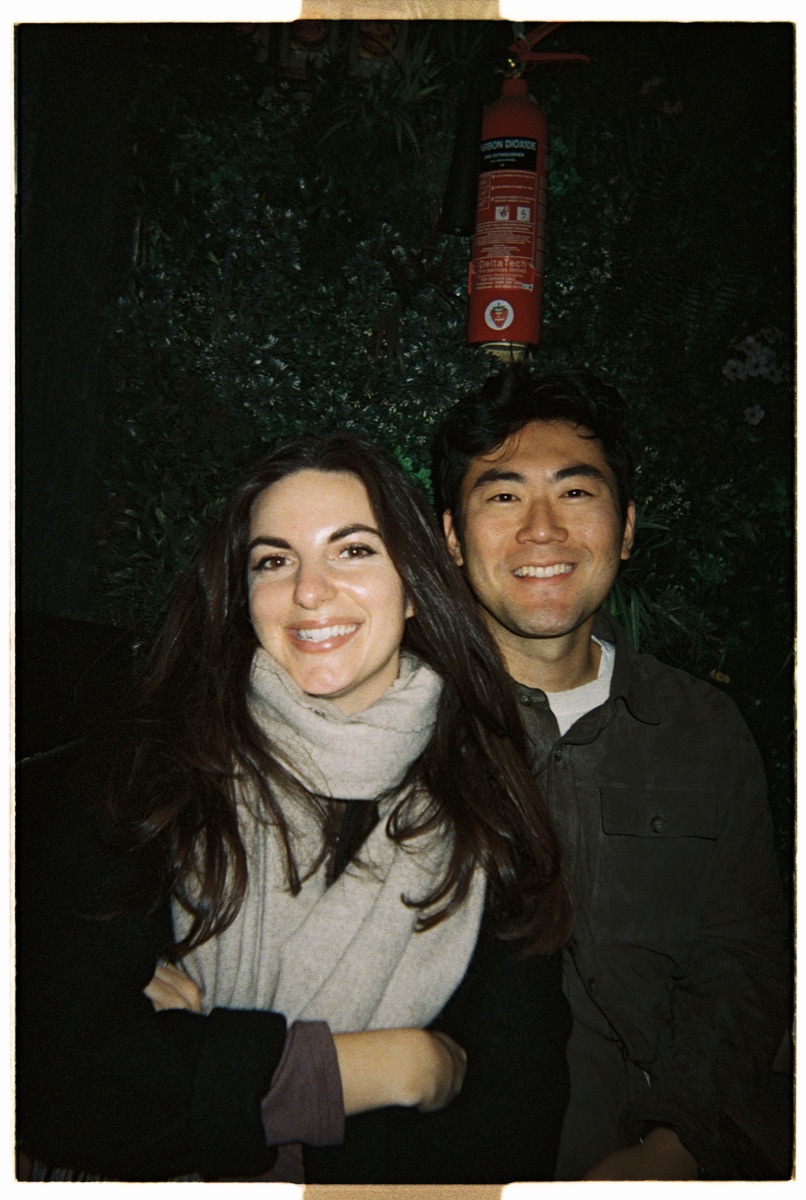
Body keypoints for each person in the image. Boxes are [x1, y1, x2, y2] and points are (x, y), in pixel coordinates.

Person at [16, 431, 572, 1184]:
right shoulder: (149, 778)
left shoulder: (487, 809)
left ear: (414, 585)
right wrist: (391, 1067)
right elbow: (62, 1085)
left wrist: (208, 1068)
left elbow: (508, 1136)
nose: (309, 591)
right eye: (274, 560)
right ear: (244, 597)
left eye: (353, 550)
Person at [431, 367, 789, 1181]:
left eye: (576, 494)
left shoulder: (703, 731)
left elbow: (744, 958)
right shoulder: (404, 725)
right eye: (502, 497)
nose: (543, 531)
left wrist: (677, 1145)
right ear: (450, 538)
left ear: (626, 527)